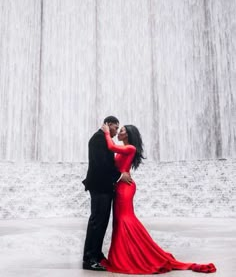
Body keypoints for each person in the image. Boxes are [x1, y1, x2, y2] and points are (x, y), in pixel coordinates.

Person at [100, 123, 217, 274]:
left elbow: (111, 147)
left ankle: (129, 256)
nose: (119, 132)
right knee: (120, 220)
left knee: (124, 219)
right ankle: (124, 254)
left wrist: (106, 133)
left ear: (128, 134)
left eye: (121, 130)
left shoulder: (131, 148)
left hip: (125, 188)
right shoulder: (123, 148)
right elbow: (115, 159)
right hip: (120, 186)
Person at [82, 116, 132, 271]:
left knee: (102, 223)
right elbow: (101, 164)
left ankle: (96, 254)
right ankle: (89, 259)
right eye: (116, 128)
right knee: (97, 222)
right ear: (108, 124)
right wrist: (119, 175)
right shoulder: (98, 139)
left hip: (105, 187)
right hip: (99, 187)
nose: (117, 132)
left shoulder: (104, 139)